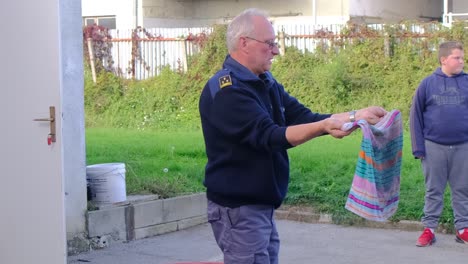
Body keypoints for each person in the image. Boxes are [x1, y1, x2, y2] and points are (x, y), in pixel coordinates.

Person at [198, 8, 387, 263]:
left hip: (259, 206)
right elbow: (270, 136)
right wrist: (325, 126)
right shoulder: (228, 91)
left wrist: (354, 116)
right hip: (239, 209)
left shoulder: (264, 81)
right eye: (270, 43)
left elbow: (302, 116)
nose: (276, 50)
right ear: (244, 43)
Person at [410, 41, 468, 247]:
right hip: (433, 146)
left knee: (462, 189)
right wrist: (418, 148)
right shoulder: (427, 84)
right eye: (457, 57)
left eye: (462, 57)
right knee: (433, 190)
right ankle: (429, 230)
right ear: (444, 60)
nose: (462, 61)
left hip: (463, 146)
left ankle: (462, 230)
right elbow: (415, 116)